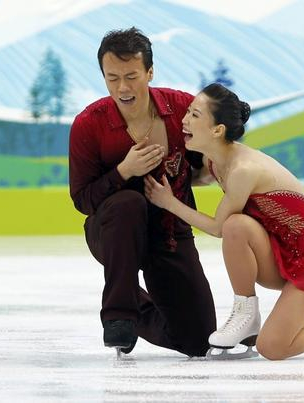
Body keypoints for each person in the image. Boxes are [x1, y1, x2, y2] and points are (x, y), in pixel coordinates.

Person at [144, 83, 304, 360]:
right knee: (237, 225)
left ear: (217, 130)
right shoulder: (214, 160)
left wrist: (169, 202)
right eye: (188, 112)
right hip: (279, 256)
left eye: (195, 115)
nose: (184, 120)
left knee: (272, 348)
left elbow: (217, 228)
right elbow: (198, 180)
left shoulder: (243, 170)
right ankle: (246, 313)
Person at [69, 27, 216, 357]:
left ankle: (137, 314)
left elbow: (209, 159)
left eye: (131, 76)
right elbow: (82, 200)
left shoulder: (182, 109)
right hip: (112, 232)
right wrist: (123, 171)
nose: (122, 87)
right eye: (112, 78)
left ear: (150, 72)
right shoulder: (89, 124)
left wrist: (214, 169)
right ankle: (118, 317)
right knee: (128, 203)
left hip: (170, 232)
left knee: (198, 341)